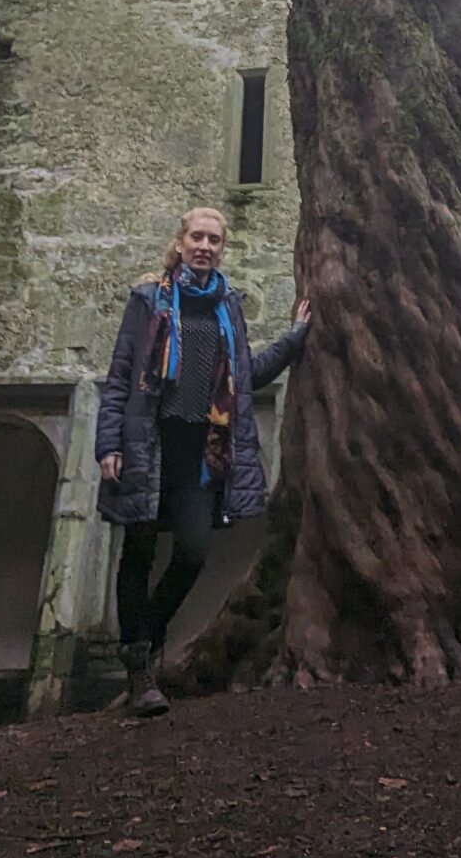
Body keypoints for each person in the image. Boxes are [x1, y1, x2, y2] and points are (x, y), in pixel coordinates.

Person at [96, 205, 308, 717]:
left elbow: (244, 374)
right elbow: (122, 375)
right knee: (138, 555)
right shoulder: (149, 299)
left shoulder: (225, 306)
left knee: (191, 551)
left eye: (214, 239)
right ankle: (142, 673)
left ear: (222, 248)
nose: (205, 246)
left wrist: (295, 339)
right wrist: (109, 445)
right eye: (197, 237)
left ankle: (142, 641)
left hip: (201, 452)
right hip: (149, 443)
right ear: (180, 241)